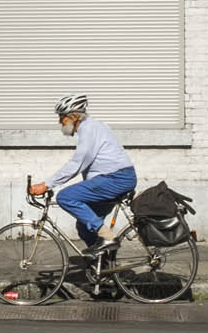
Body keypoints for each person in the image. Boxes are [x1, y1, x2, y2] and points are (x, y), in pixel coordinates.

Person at [28, 94, 137, 256]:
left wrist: (47, 184)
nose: (60, 123)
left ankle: (108, 237)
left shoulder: (89, 129)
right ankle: (104, 266)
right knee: (84, 226)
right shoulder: (93, 128)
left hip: (116, 178)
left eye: (62, 118)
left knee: (65, 197)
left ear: (73, 116)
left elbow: (77, 163)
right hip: (114, 179)